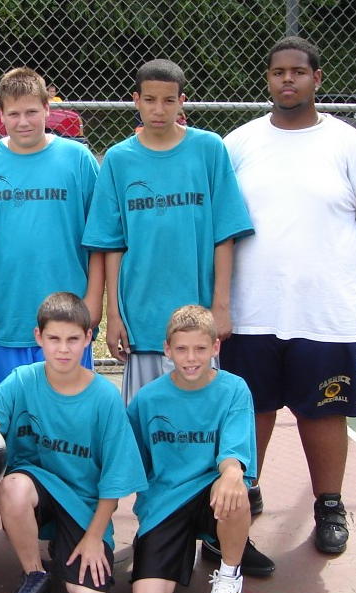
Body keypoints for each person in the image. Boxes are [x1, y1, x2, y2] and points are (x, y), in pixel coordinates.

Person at [221, 37, 356, 555]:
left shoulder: (351, 146)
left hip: (325, 312)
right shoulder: (240, 144)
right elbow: (221, 223)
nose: (288, 80)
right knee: (250, 408)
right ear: (268, 79)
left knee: (323, 412)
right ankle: (246, 491)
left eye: (298, 72)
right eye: (278, 72)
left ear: (316, 79)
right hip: (251, 310)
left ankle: (329, 505)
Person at [0, 292, 147, 593]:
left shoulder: (105, 398)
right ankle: (35, 574)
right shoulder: (22, 381)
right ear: (39, 337)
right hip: (37, 492)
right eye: (54, 339)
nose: (63, 349)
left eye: (73, 339)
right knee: (14, 486)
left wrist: (93, 538)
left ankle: (65, 545)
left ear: (88, 338)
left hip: (83, 505)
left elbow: (115, 481)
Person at [83, 59, 253, 404]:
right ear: (136, 100)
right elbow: (112, 245)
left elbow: (225, 235)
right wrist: (115, 315)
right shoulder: (118, 159)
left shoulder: (209, 149)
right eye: (149, 100)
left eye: (168, 100)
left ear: (182, 102)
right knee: (146, 423)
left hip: (197, 325)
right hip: (142, 322)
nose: (158, 110)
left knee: (197, 423)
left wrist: (220, 306)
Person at [0, 67, 103, 403]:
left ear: (48, 108)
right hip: (5, 316)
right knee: (5, 415)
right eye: (14, 114)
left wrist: (94, 300)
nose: (23, 122)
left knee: (67, 413)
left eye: (32, 112)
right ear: (0, 114)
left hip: (68, 318)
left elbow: (100, 239)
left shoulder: (78, 159)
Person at [127, 305, 259, 593]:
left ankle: (229, 576)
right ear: (167, 349)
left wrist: (232, 473)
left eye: (200, 348)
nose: (190, 358)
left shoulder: (234, 389)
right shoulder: (147, 399)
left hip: (212, 494)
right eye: (182, 349)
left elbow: (233, 456)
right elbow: (130, 461)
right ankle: (163, 543)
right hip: (165, 501)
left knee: (235, 487)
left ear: (215, 347)